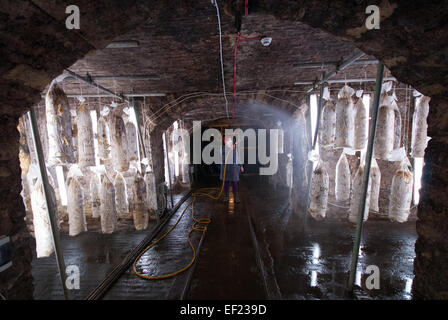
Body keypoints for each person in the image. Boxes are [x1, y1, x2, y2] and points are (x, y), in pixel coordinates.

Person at [220, 136, 244, 203]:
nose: (230, 142)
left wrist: (241, 165)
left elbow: (237, 157)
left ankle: (236, 197)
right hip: (226, 169)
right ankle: (226, 197)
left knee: (235, 183)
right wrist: (230, 148)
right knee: (226, 183)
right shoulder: (222, 148)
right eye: (228, 141)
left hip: (233, 169)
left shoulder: (233, 148)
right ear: (225, 142)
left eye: (230, 141)